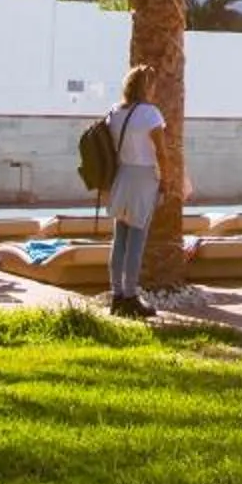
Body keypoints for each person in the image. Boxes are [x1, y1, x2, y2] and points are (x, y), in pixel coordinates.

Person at [102, 68, 167, 320]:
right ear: (145, 86)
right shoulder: (150, 114)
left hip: (122, 175)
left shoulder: (115, 113)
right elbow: (161, 152)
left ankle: (117, 295)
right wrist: (167, 180)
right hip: (143, 177)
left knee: (120, 238)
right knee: (137, 240)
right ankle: (130, 297)